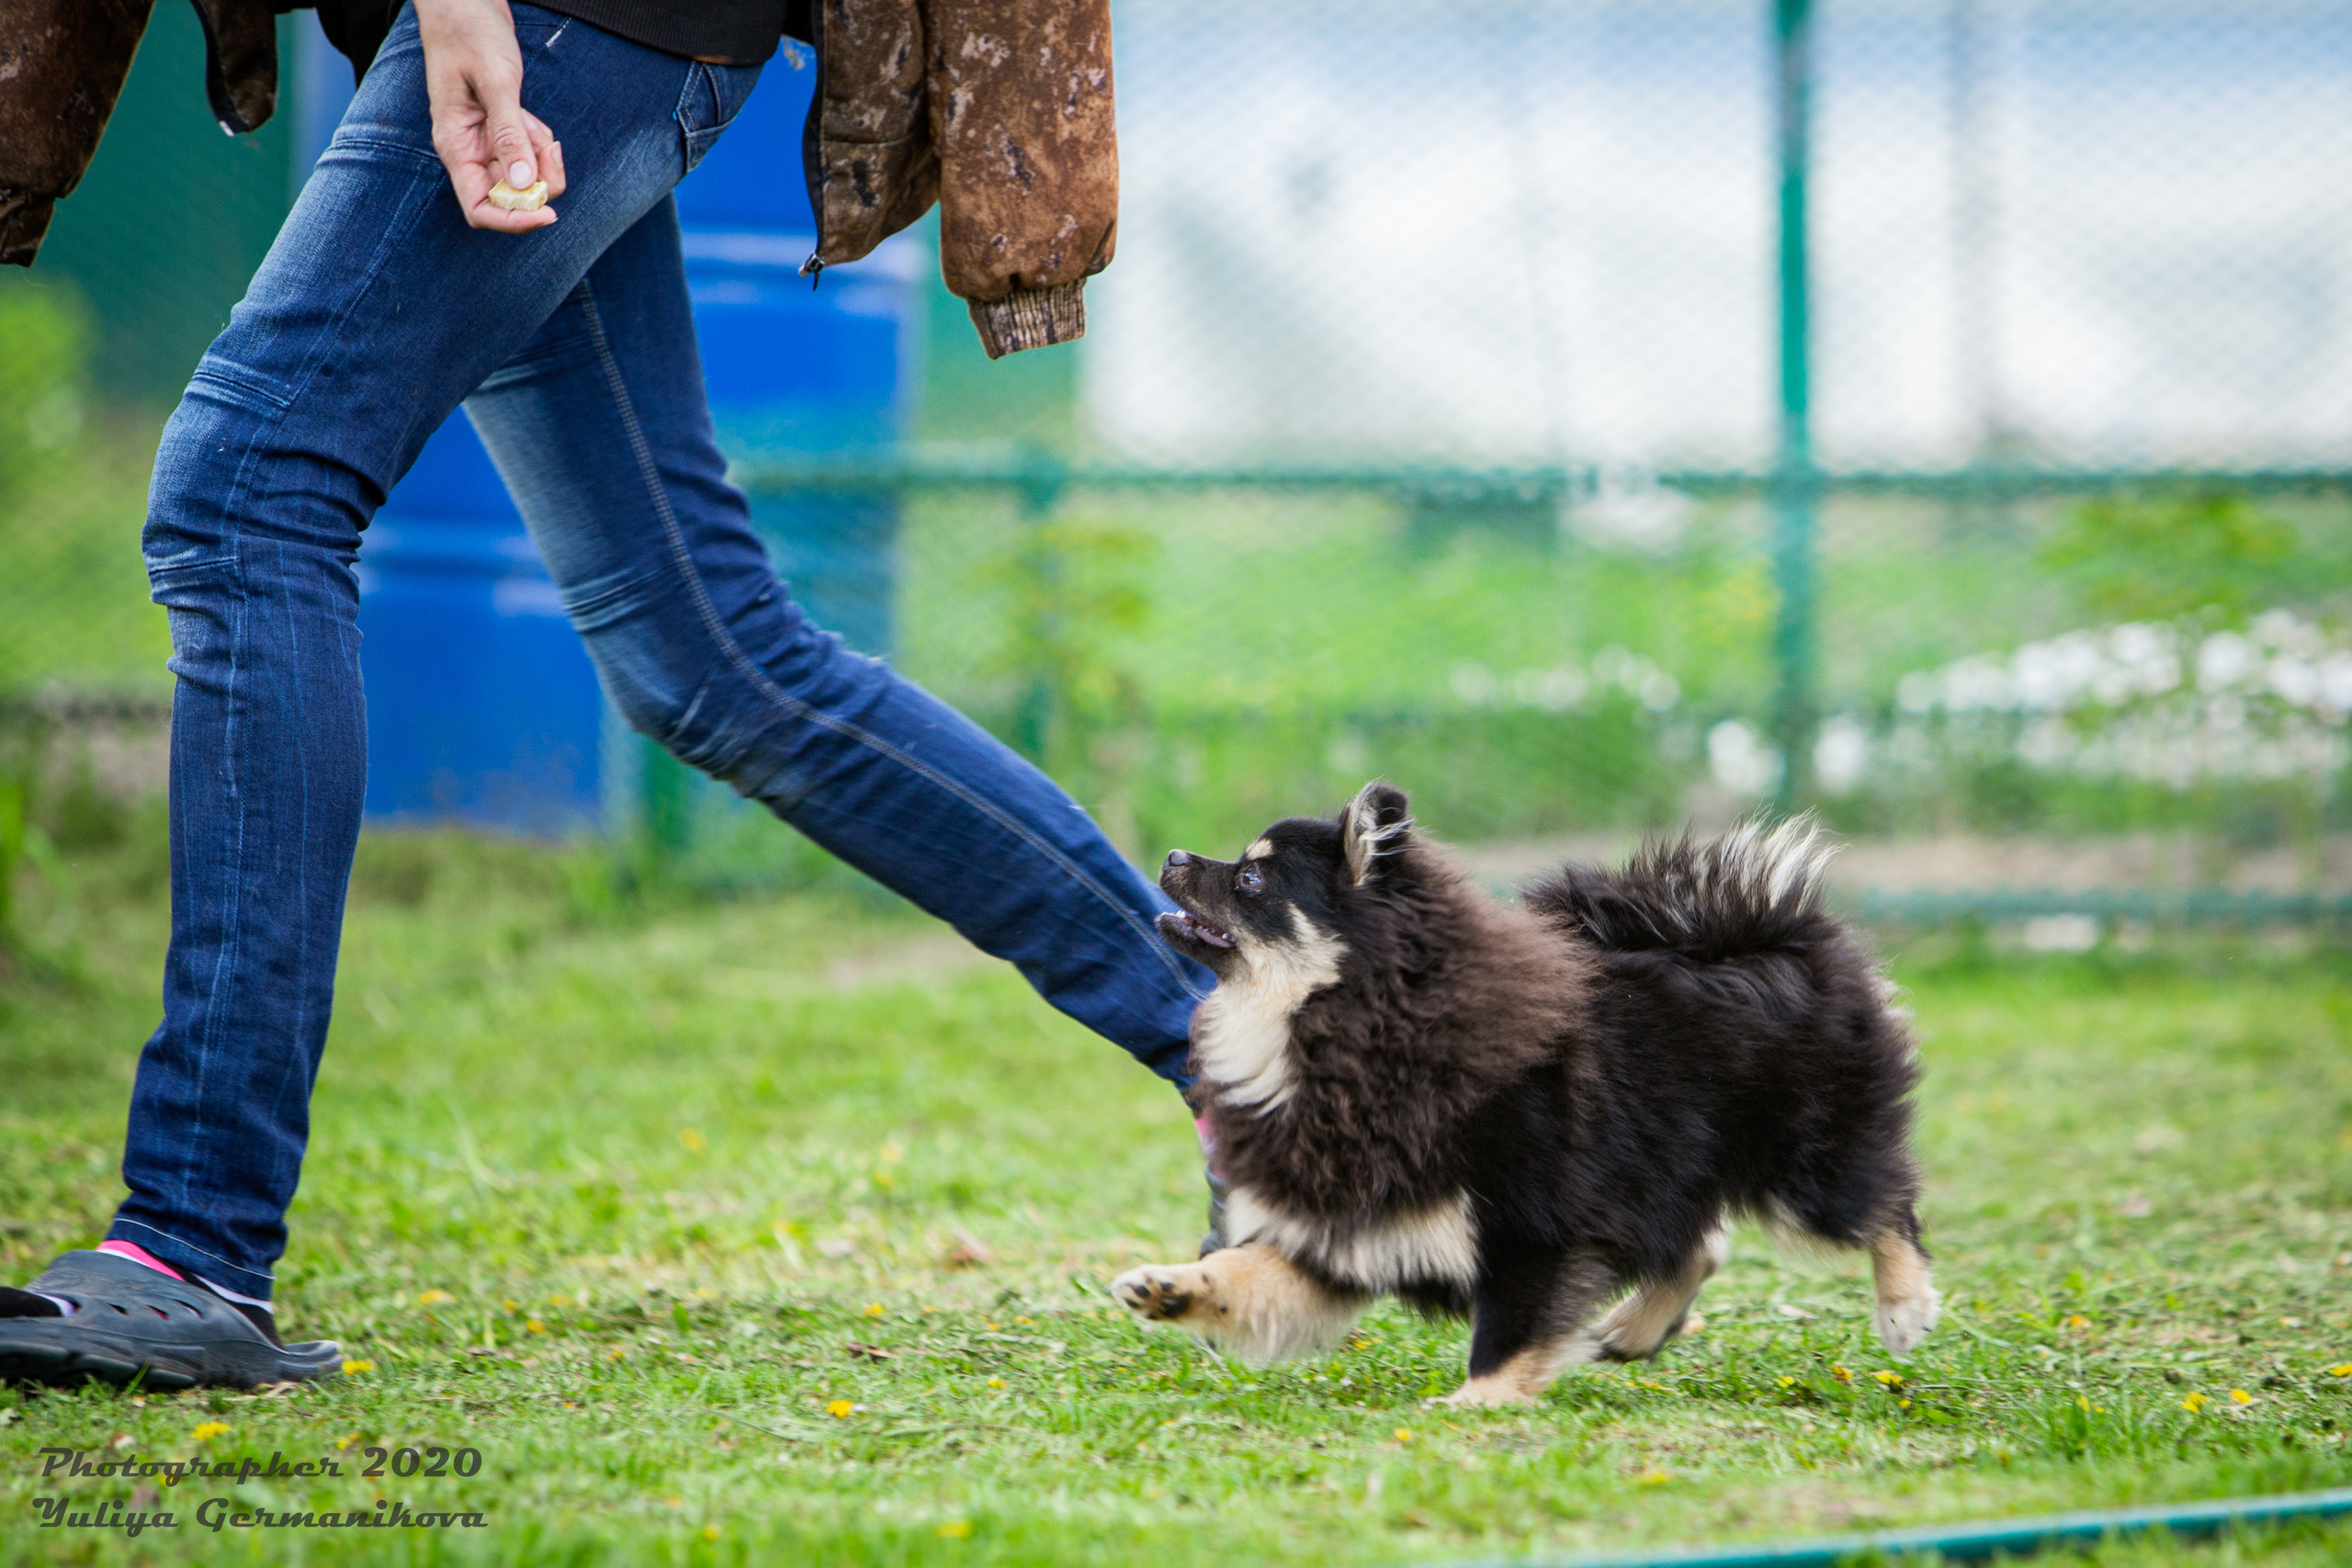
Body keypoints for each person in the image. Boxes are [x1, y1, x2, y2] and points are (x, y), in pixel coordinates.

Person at [0, 0, 1214, 1390]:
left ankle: (191, 1243)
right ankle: (1250, 1058)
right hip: (588, 33)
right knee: (707, 652)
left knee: (246, 491)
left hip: (557, 25)